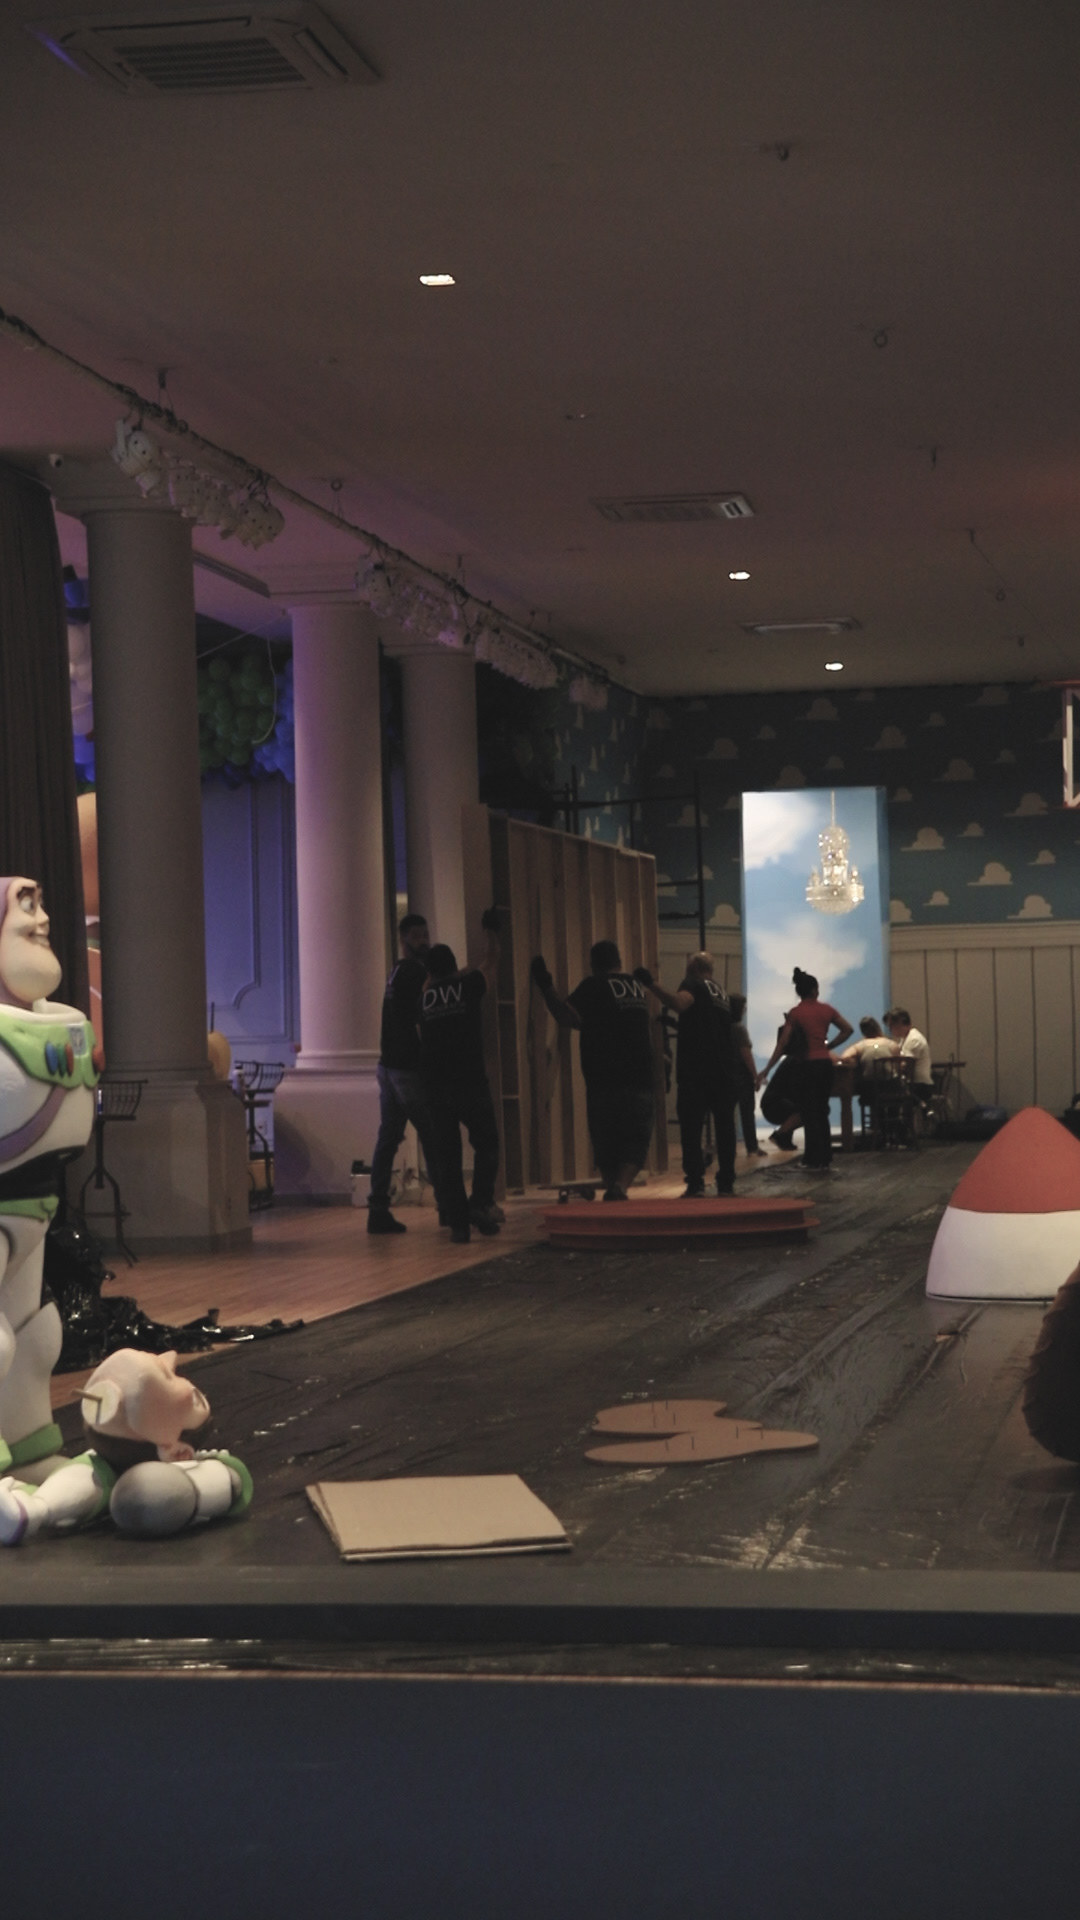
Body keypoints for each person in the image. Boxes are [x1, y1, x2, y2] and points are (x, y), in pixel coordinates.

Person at [531, 940, 655, 1201]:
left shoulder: (594, 985)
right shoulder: (636, 987)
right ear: (619, 961)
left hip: (604, 1079)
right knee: (636, 1138)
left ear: (593, 964)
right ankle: (620, 1186)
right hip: (640, 1077)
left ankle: (613, 1187)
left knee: (605, 1139)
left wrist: (545, 985)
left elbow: (566, 1016)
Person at [418, 912, 502, 1245]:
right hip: (469, 1081)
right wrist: (491, 932)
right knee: (487, 1143)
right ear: (455, 966)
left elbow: (433, 985)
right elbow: (491, 963)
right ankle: (479, 1203)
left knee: (447, 1157)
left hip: (434, 1087)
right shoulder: (467, 987)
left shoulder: (424, 999)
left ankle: (458, 1226)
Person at [367, 913, 442, 1235]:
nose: (424, 940)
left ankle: (377, 1208)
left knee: (388, 1138)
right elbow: (421, 1018)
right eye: (417, 935)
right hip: (407, 1070)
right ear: (403, 939)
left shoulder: (396, 971)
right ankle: (448, 1205)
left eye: (425, 934)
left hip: (388, 1067)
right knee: (432, 1133)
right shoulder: (416, 973)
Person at [641, 953, 737, 1198]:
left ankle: (695, 1183)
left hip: (697, 1070)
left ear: (691, 967)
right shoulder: (721, 993)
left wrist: (651, 984)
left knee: (691, 1128)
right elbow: (707, 1029)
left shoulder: (692, 983)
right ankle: (726, 1182)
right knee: (725, 1128)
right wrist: (676, 1025)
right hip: (724, 1070)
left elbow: (681, 1003)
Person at [761, 968, 853, 1171]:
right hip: (824, 1066)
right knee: (821, 1110)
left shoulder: (795, 1013)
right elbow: (848, 1029)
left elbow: (783, 1043)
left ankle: (812, 1159)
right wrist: (829, 1045)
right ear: (815, 990)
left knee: (809, 1112)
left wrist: (767, 1069)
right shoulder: (827, 1010)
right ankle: (825, 1158)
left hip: (805, 1066)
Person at [728, 992, 762, 1159]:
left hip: (727, 1076)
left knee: (727, 1114)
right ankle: (752, 1148)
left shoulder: (722, 1027)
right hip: (742, 1076)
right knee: (747, 1113)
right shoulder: (740, 1029)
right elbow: (746, 1054)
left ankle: (728, 1148)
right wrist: (756, 1076)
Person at [884, 1007, 933, 1106]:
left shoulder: (913, 1040)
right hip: (914, 1084)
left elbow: (906, 1066)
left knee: (885, 1094)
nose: (890, 1029)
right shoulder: (906, 1038)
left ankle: (892, 1116)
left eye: (891, 1025)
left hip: (919, 1086)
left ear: (900, 1023)